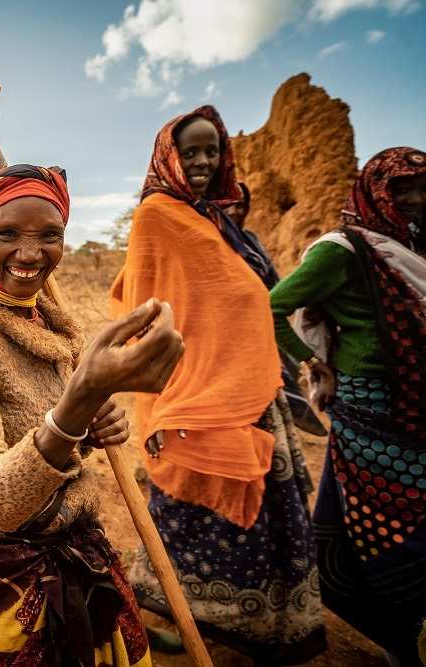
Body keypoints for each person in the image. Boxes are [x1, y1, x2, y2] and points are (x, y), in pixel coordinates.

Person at [0, 163, 186, 665]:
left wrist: (93, 425)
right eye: (8, 234)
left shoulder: (58, 324)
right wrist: (78, 402)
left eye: (50, 235)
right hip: (1, 568)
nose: (29, 253)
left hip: (77, 533)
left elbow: (55, 428)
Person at [111, 105, 325, 663]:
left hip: (251, 391)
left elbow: (251, 298)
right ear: (168, 157)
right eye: (191, 151)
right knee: (189, 510)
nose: (203, 161)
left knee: (262, 514)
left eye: (213, 150)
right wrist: (163, 405)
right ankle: (175, 616)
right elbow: (144, 312)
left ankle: (257, 623)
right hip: (192, 394)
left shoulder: (216, 220)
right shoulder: (158, 217)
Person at [269, 147, 426, 666]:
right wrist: (315, 367)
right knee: (388, 528)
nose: (415, 199)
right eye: (402, 188)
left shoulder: (412, 241)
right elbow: (273, 307)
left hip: (418, 404)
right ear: (375, 189)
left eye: (423, 188)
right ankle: (397, 635)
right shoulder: (341, 250)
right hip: (373, 409)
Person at [223, 183, 327, 437]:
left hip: (260, 320)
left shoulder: (251, 241)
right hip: (228, 330)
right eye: (230, 205)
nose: (236, 211)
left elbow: (273, 282)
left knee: (279, 370)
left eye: (241, 205)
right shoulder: (212, 240)